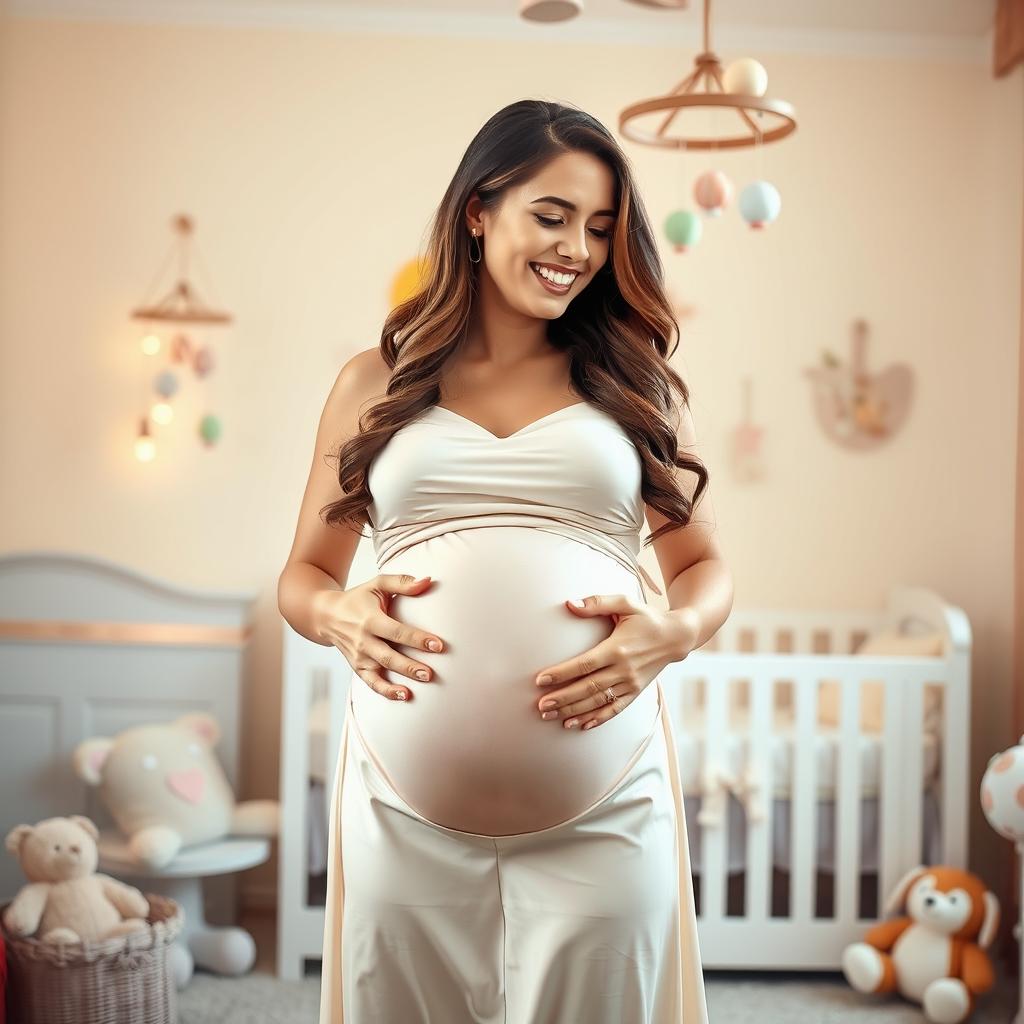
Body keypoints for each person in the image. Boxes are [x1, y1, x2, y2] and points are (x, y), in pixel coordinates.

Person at [278, 98, 733, 1024]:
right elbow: (303, 579)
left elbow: (706, 568)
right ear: (478, 210)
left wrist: (672, 635)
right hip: (403, 809)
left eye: (601, 229)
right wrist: (339, 615)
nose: (577, 248)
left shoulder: (633, 379)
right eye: (553, 216)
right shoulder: (377, 381)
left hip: (605, 805)